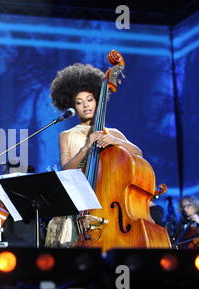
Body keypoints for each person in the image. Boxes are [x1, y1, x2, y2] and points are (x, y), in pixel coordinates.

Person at [45, 63, 143, 248]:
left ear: (97, 100)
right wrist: (86, 148)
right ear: (72, 106)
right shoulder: (67, 135)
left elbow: (138, 154)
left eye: (89, 99)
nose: (85, 106)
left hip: (107, 205)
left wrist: (116, 141)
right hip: (78, 207)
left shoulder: (112, 132)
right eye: (79, 103)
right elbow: (66, 170)